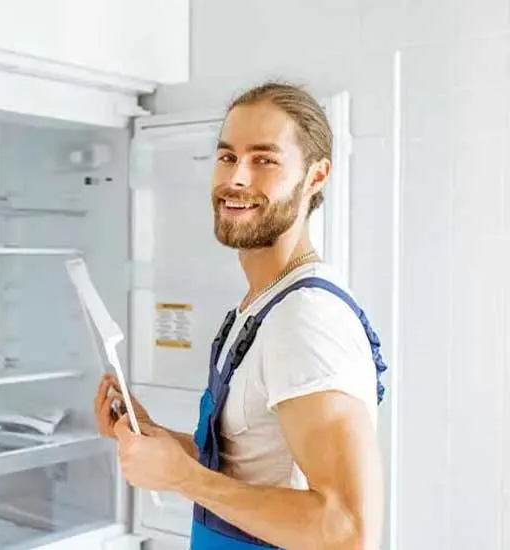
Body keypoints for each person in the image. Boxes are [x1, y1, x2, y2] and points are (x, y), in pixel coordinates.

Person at [94, 81, 387, 550]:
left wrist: (186, 479)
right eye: (228, 156)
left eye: (264, 160)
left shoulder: (305, 320)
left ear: (315, 176)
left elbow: (348, 531)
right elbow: (250, 467)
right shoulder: (257, 306)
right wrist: (159, 443)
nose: (237, 179)